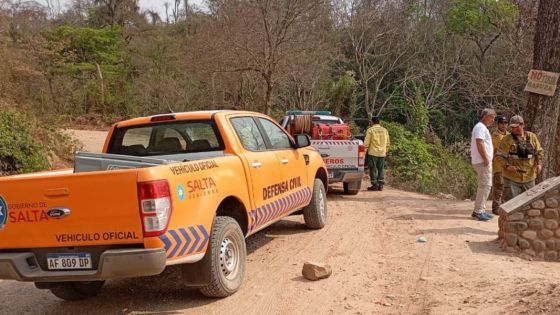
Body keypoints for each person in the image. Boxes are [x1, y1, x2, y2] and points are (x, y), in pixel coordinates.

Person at [496, 115, 543, 201]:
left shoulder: (532, 137)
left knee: (529, 204)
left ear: (522, 125)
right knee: (510, 204)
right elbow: (500, 155)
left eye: (516, 127)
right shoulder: (507, 139)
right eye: (512, 127)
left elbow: (539, 152)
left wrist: (539, 164)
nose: (513, 130)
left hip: (529, 177)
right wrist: (508, 166)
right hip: (512, 178)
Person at [470, 108, 496, 221]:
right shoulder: (480, 127)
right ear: (485, 116)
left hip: (482, 161)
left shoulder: (482, 127)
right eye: (492, 117)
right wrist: (485, 159)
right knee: (485, 185)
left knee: (485, 185)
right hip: (482, 161)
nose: (493, 120)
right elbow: (479, 143)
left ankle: (480, 209)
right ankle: (478, 211)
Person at [364, 116, 390, 191]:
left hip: (373, 153)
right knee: (381, 169)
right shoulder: (385, 130)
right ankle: (381, 185)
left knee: (373, 169)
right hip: (382, 153)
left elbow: (366, 143)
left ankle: (375, 184)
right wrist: (385, 151)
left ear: (372, 122)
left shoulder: (370, 130)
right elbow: (388, 143)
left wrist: (364, 153)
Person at [491, 115, 509, 215]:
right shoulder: (496, 135)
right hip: (498, 166)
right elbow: (503, 147)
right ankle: (496, 208)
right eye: (501, 123)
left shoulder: (509, 134)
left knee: (507, 188)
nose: (503, 125)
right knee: (498, 187)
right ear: (498, 124)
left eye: (505, 123)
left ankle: (504, 206)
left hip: (508, 167)